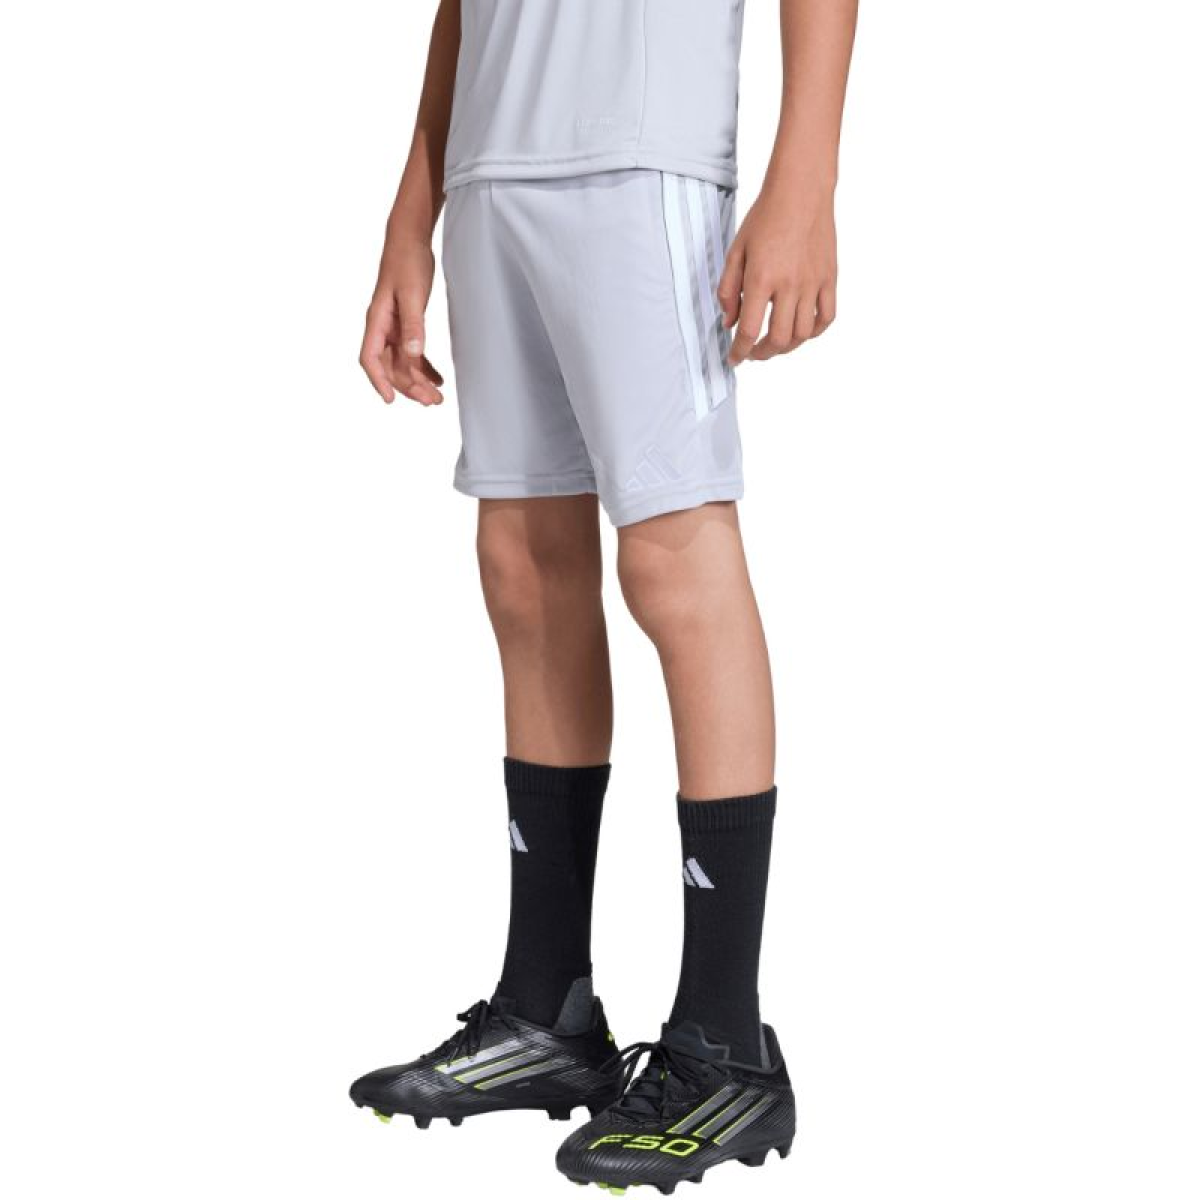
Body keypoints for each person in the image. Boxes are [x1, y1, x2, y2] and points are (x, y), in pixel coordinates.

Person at [349, 0, 857, 1189]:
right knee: (523, 569)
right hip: (492, 165)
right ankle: (548, 1010)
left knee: (674, 562)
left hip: (643, 152)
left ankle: (725, 1043)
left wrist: (807, 174)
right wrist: (412, 215)